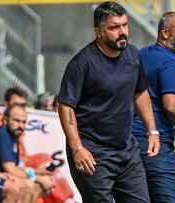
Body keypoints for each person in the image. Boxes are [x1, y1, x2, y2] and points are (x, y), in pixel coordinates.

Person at [57, 1, 160, 202]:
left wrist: (152, 131)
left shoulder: (133, 55)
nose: (122, 32)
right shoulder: (82, 63)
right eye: (114, 27)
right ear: (99, 32)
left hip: (127, 151)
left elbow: (141, 93)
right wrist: (77, 148)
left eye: (124, 25)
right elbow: (66, 106)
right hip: (93, 154)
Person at [132, 12, 175, 203]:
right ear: (165, 33)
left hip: (128, 144)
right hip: (155, 147)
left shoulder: (142, 54)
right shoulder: (170, 63)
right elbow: (172, 107)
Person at [0, 103, 54, 202]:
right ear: (5, 120)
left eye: (24, 122)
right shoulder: (2, 135)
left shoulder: (13, 137)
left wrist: (36, 172)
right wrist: (39, 178)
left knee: (39, 184)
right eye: (17, 121)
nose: (21, 126)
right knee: (30, 185)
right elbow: (11, 169)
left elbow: (16, 166)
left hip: (1, 176)